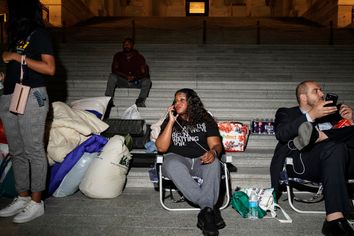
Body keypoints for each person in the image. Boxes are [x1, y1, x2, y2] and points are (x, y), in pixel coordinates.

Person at [270, 80, 354, 235]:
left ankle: (321, 135)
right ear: (303, 97)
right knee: (335, 146)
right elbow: (281, 134)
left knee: (339, 144)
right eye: (316, 90)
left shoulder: (334, 114)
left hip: (339, 161)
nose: (322, 93)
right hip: (305, 162)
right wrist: (311, 116)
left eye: (322, 90)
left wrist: (350, 121)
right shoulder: (287, 113)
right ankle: (334, 217)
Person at [0, 0, 55, 223]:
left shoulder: (39, 34)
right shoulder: (16, 36)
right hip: (10, 95)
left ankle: (36, 202)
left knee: (33, 149)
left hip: (32, 96)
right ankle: (22, 197)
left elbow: (50, 69)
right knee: (17, 150)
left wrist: (17, 57)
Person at [155, 88, 225, 236]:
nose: (177, 103)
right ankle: (209, 209)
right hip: (177, 158)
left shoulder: (205, 120)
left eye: (182, 100)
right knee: (172, 164)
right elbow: (161, 147)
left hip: (201, 159)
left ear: (191, 102)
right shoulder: (171, 120)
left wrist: (213, 152)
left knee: (214, 163)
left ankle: (205, 213)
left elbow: (216, 145)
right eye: (175, 100)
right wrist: (171, 122)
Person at [104, 37, 151, 108]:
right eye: (125, 44)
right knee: (112, 76)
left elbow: (145, 73)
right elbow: (114, 70)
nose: (126, 46)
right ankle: (108, 100)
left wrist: (135, 77)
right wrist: (126, 76)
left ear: (132, 45)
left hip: (135, 82)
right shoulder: (118, 56)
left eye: (128, 44)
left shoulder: (139, 57)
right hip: (123, 81)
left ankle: (140, 101)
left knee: (147, 81)